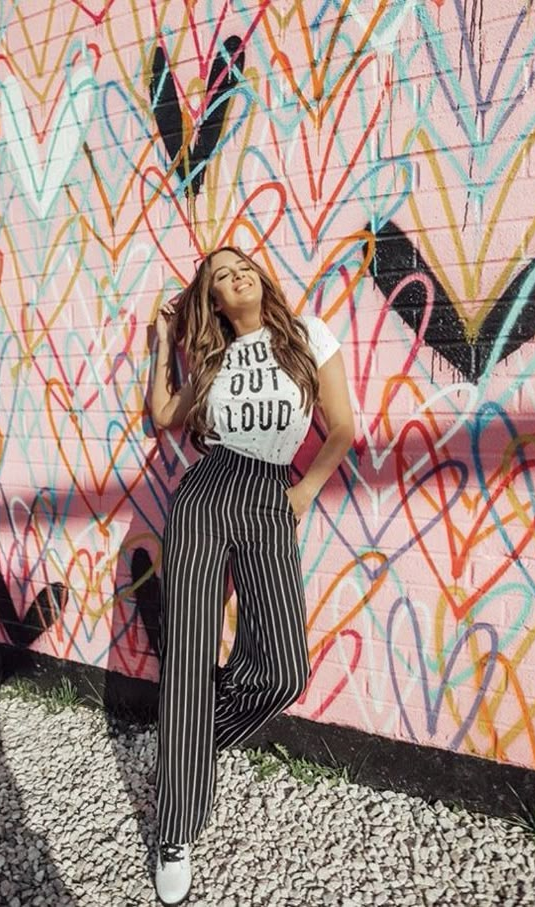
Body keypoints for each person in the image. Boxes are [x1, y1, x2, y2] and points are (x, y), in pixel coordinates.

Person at [149, 246, 354, 905]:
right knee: (189, 652)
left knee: (285, 668)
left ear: (262, 278)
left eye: (243, 267)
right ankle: (174, 828)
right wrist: (161, 344)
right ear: (213, 300)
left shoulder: (308, 334)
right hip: (208, 489)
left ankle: (191, 740)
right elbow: (163, 415)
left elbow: (343, 428)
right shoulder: (212, 359)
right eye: (220, 277)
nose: (236, 277)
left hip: (271, 493)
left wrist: (303, 493)